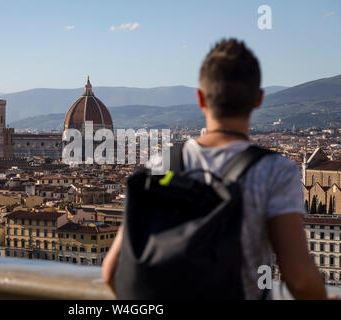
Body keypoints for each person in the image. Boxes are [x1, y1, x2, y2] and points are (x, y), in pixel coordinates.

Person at [102, 38, 327, 300]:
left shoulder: (162, 164)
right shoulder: (275, 171)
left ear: (200, 98)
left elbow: (111, 271)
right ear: (258, 99)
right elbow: (298, 278)